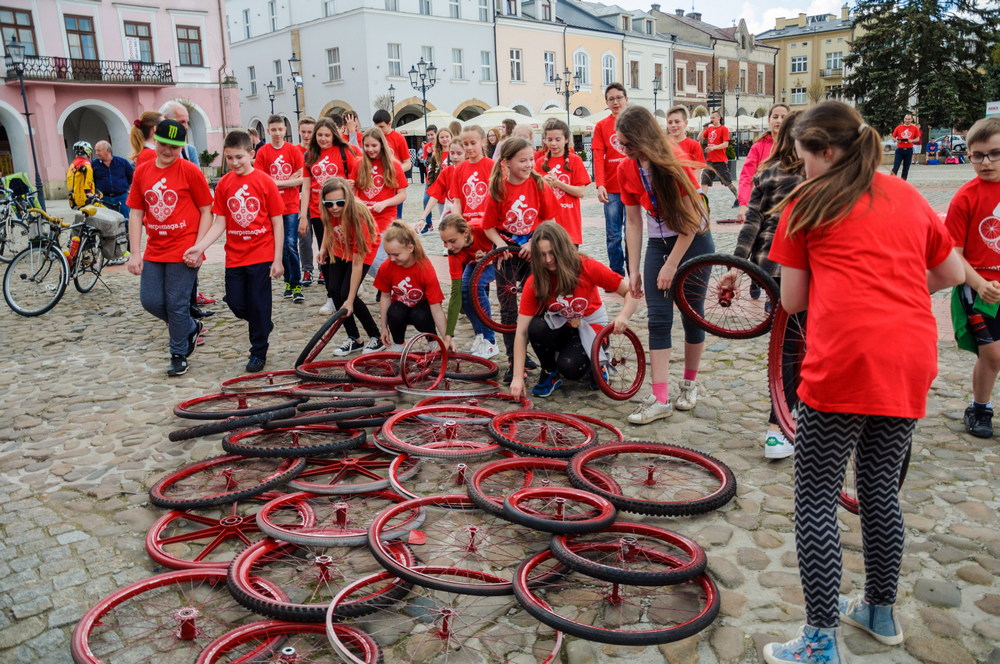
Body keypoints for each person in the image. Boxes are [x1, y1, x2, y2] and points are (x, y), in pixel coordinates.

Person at [761, 101, 962, 664]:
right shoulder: (907, 194)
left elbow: (793, 300)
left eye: (803, 158)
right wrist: (891, 285)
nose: (800, 170)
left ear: (825, 150)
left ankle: (819, 640)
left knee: (816, 498)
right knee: (879, 489)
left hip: (846, 358)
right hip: (909, 355)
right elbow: (946, 274)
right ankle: (879, 610)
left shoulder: (807, 201)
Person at [619, 105, 714, 424]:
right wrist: (633, 270)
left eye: (628, 144)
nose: (624, 150)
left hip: (693, 241)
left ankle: (689, 384)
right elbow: (633, 222)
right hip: (658, 242)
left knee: (692, 315)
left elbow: (691, 223)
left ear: (643, 138)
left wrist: (672, 265)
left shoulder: (673, 162)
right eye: (620, 144)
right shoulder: (626, 168)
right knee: (658, 318)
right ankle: (659, 398)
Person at [728, 110, 804, 458]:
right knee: (797, 345)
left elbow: (751, 224)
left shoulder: (768, 170)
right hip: (795, 266)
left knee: (788, 346)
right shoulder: (809, 170)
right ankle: (783, 422)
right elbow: (754, 219)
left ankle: (782, 422)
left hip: (773, 267)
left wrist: (737, 265)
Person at [183, 130, 284, 373]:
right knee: (237, 304)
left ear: (251, 154)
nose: (235, 163)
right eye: (229, 158)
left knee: (259, 304)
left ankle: (258, 351)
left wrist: (277, 259)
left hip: (261, 255)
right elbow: (220, 222)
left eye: (239, 157)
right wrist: (200, 247)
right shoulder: (225, 184)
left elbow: (277, 221)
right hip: (235, 256)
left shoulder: (264, 181)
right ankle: (262, 323)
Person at [510, 222, 640, 399]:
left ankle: (597, 364)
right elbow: (521, 332)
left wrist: (623, 316)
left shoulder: (586, 266)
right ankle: (550, 372)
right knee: (536, 326)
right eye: (542, 255)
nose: (548, 259)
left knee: (571, 368)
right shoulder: (535, 281)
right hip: (562, 327)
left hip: (591, 326)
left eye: (552, 253)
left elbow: (630, 293)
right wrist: (517, 378)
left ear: (562, 248)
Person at [126, 119, 213, 377]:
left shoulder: (190, 170)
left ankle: (178, 353)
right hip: (155, 247)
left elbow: (206, 211)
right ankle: (189, 326)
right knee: (151, 301)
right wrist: (135, 252)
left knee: (176, 303)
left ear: (182, 146)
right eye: (164, 144)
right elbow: (136, 212)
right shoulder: (142, 171)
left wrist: (198, 246)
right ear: (154, 140)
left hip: (184, 248)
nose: (168, 151)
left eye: (175, 147)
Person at [482, 136, 558, 381]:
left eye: (531, 160)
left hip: (532, 250)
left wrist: (533, 242)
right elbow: (488, 226)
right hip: (506, 254)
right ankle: (515, 360)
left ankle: (540, 356)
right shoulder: (498, 188)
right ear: (507, 163)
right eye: (522, 160)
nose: (528, 165)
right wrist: (501, 243)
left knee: (536, 303)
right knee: (508, 310)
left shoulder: (538, 184)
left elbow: (549, 221)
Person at [945, 116, 1000, 438]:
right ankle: (980, 407)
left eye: (994, 153)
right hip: (977, 287)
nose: (986, 162)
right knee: (992, 353)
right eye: (977, 155)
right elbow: (954, 253)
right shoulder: (966, 197)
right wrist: (978, 283)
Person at [316, 177, 384, 357]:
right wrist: (323, 248)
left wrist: (351, 299)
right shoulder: (329, 210)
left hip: (362, 250)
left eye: (340, 202)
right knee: (333, 290)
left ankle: (375, 336)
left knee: (346, 294)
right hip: (339, 245)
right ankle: (354, 338)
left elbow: (357, 264)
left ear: (348, 199)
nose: (335, 207)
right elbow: (328, 227)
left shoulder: (358, 216)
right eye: (329, 204)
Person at [299, 117, 360, 312]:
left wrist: (353, 188)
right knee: (325, 251)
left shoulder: (344, 151)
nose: (323, 139)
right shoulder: (310, 155)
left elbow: (356, 176)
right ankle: (331, 296)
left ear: (334, 135)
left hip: (342, 209)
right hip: (319, 211)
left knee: (343, 249)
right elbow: (306, 187)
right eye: (320, 135)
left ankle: (347, 286)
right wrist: (303, 215)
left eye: (327, 135)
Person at [160, 99, 215, 310]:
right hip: (170, 219)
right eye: (181, 121)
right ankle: (183, 309)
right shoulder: (156, 152)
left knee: (193, 258)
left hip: (191, 216)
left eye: (186, 122)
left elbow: (196, 179)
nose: (185, 126)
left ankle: (191, 301)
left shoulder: (189, 149)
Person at [373, 221, 448, 351]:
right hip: (401, 305)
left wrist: (446, 339)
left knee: (420, 315)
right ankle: (398, 344)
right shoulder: (387, 266)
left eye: (396, 254)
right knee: (394, 312)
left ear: (410, 248)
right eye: (388, 254)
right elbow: (385, 297)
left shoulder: (424, 269)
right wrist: (384, 328)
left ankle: (432, 340)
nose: (391, 259)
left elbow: (436, 308)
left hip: (423, 307)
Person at [255, 114, 306, 303]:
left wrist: (277, 182)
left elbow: (301, 178)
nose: (277, 133)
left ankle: (296, 284)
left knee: (291, 244)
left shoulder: (293, 150)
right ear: (268, 131)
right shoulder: (263, 152)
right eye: (273, 130)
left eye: (280, 129)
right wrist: (286, 182)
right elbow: (261, 182)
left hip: (291, 205)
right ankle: (288, 281)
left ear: (286, 130)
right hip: (272, 207)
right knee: (281, 246)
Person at [351, 126, 408, 285]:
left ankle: (390, 286)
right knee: (367, 259)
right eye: (367, 146)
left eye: (374, 146)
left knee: (383, 258)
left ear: (381, 145)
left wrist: (385, 203)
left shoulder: (393, 165)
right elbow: (353, 191)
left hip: (386, 219)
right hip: (364, 220)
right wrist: (357, 202)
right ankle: (388, 284)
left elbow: (402, 194)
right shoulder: (358, 164)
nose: (370, 149)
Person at [439, 213, 498, 358]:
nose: (449, 247)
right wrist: (449, 335)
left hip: (499, 260)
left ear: (465, 232)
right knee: (464, 290)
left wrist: (493, 256)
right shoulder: (454, 252)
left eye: (452, 241)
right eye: (445, 242)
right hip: (476, 263)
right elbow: (455, 293)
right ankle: (480, 335)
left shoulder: (481, 227)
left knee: (476, 285)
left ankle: (490, 341)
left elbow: (506, 239)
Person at [592, 83, 630, 276]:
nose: (615, 102)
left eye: (619, 97)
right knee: (613, 234)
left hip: (633, 188)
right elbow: (598, 156)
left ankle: (633, 273)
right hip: (612, 189)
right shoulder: (601, 126)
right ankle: (616, 272)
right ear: (607, 102)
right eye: (611, 99)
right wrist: (600, 185)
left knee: (632, 233)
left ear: (626, 99)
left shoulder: (634, 122)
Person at [536, 118, 590, 245]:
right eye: (549, 140)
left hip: (569, 223)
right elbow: (533, 193)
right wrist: (542, 182)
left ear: (566, 139)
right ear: (544, 140)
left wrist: (557, 183)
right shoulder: (539, 163)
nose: (553, 143)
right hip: (547, 224)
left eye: (558, 139)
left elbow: (581, 192)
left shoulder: (575, 160)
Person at [736, 103, 789, 222]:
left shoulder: (795, 146)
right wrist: (744, 205)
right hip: (761, 206)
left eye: (783, 117)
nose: (779, 121)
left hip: (787, 206)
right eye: (775, 117)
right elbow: (746, 176)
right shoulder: (758, 147)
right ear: (769, 120)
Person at [449, 125, 495, 227]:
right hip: (467, 225)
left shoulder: (493, 167)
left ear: (483, 142)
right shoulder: (459, 170)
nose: (469, 147)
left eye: (473, 143)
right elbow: (457, 202)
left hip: (489, 225)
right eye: (465, 144)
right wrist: (458, 223)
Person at [372, 109, 411, 219]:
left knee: (395, 217)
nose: (378, 130)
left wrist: (394, 171)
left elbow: (408, 163)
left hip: (394, 184)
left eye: (381, 127)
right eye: (376, 126)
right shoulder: (374, 139)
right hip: (378, 183)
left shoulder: (398, 138)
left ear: (389, 124)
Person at [296, 116, 317, 286]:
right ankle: (307, 269)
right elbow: (295, 177)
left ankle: (324, 269)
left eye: (310, 132)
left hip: (318, 199)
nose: (306, 135)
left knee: (324, 235)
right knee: (304, 236)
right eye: (303, 131)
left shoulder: (318, 151)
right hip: (299, 199)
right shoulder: (295, 150)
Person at [422, 138, 466, 221]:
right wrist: (423, 217)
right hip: (450, 207)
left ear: (466, 154)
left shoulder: (470, 170)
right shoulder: (447, 171)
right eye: (452, 153)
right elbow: (435, 194)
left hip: (468, 211)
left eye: (459, 153)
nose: (455, 156)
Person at [700, 111, 738, 204]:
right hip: (710, 161)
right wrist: (703, 129)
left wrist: (713, 147)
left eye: (713, 118)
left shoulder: (724, 129)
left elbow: (726, 144)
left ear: (718, 118)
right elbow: (699, 138)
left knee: (727, 182)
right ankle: (702, 202)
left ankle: (738, 197)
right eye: (711, 118)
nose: (711, 120)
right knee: (704, 181)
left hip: (720, 161)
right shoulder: (709, 129)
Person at [420, 128, 454, 228]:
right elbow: (429, 170)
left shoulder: (456, 153)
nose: (445, 139)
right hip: (441, 191)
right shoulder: (436, 155)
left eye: (447, 136)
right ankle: (428, 222)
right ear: (438, 139)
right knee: (445, 222)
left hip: (454, 192)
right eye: (442, 137)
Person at [92, 140, 134, 219]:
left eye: (98, 150)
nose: (96, 153)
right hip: (104, 199)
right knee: (108, 222)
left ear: (107, 151)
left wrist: (127, 188)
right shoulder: (94, 165)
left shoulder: (122, 163)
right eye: (96, 150)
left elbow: (131, 177)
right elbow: (91, 181)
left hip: (121, 198)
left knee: (126, 220)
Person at [666, 106, 706, 183]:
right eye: (670, 122)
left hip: (686, 191)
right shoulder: (662, 145)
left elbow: (696, 177)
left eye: (677, 121)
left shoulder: (694, 145)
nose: (673, 125)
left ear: (685, 123)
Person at [418, 125, 438, 233]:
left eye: (432, 134)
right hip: (430, 179)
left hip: (441, 178)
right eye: (428, 135)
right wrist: (430, 154)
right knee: (426, 200)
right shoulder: (427, 147)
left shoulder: (441, 144)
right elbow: (425, 163)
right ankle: (429, 223)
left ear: (436, 134)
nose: (430, 137)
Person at [891, 112, 921, 180]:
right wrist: (896, 140)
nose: (907, 120)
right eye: (906, 119)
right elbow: (893, 137)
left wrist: (911, 140)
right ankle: (891, 180)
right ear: (904, 119)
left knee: (906, 168)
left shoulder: (914, 128)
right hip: (900, 150)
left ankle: (903, 182)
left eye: (909, 119)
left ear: (911, 120)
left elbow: (918, 138)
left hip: (909, 150)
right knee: (896, 167)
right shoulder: (899, 127)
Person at [66, 141, 96, 209]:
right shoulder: (86, 164)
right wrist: (88, 193)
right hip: (85, 199)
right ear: (88, 153)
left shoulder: (73, 164)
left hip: (74, 198)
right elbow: (88, 180)